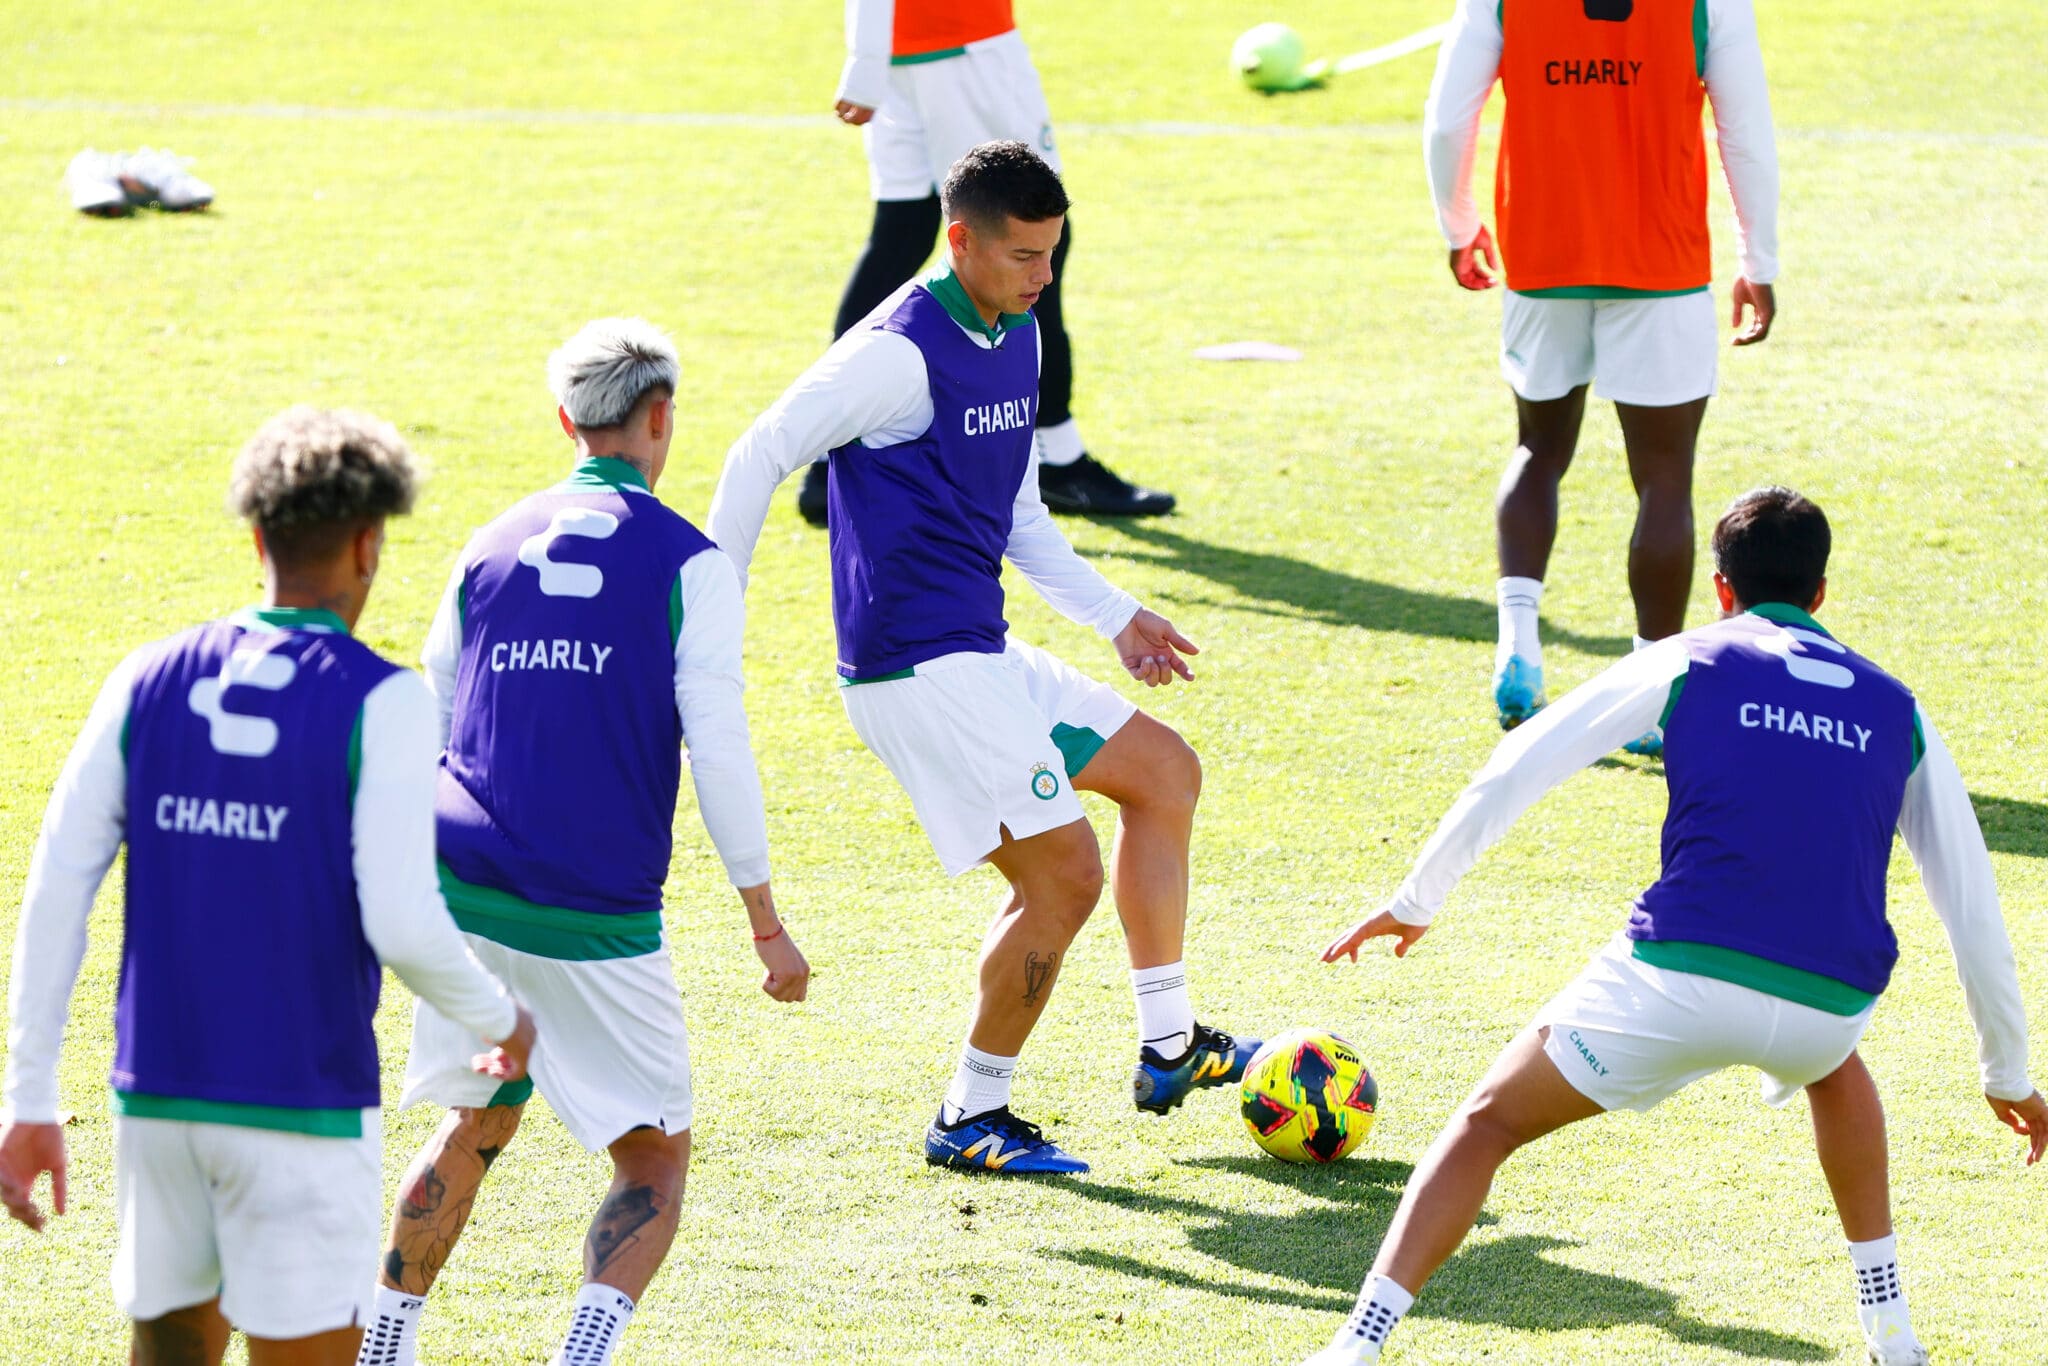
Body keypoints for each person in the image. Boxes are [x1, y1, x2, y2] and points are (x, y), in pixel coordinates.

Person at [1305, 488, 2044, 1366]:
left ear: (1722, 590)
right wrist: (2008, 1073)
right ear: (1821, 594)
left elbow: (1520, 761)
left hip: (1677, 980)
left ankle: (1357, 1343)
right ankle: (1892, 1329)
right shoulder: (1900, 708)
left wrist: (1416, 898)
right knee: (1836, 1068)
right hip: (1828, 1007)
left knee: (1486, 1125)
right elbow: (1972, 906)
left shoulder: (1692, 657)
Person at [710, 141, 1252, 1176]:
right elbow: (757, 449)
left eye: (1050, 256)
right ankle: (971, 1113)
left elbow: (1016, 510)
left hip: (978, 652)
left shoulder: (1018, 332)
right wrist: (710, 604)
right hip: (912, 672)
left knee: (1162, 772)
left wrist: (1115, 615)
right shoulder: (895, 352)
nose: (1041, 279)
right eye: (1020, 258)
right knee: (1061, 876)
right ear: (957, 240)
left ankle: (1169, 1041)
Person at [0, 407, 536, 1366]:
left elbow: (55, 890)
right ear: (370, 546)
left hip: (158, 1097)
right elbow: (403, 922)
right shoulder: (383, 700)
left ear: (256, 538)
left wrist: (27, 1094)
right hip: (302, 1105)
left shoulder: (144, 679)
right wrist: (499, 1019)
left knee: (168, 1352)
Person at [356, 320, 808, 1366]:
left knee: (479, 1112)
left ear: (566, 421)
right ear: (660, 419)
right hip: (594, 911)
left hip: (459, 895)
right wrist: (764, 921)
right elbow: (720, 745)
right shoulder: (690, 563)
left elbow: (427, 726)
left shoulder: (485, 544)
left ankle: (386, 1343)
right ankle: (582, 1356)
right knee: (652, 1157)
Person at [1423, 0, 1780, 745]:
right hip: (1663, 267)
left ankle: (1518, 647)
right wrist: (1759, 261)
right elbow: (1743, 132)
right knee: (1663, 478)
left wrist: (1459, 226)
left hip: (1541, 257)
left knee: (1536, 450)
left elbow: (1449, 119)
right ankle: (1649, 692)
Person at [791, 0, 1174, 526]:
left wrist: (868, 60)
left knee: (899, 239)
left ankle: (826, 462)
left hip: (911, 56)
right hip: (964, 46)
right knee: (1035, 234)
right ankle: (1058, 460)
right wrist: (865, 61)